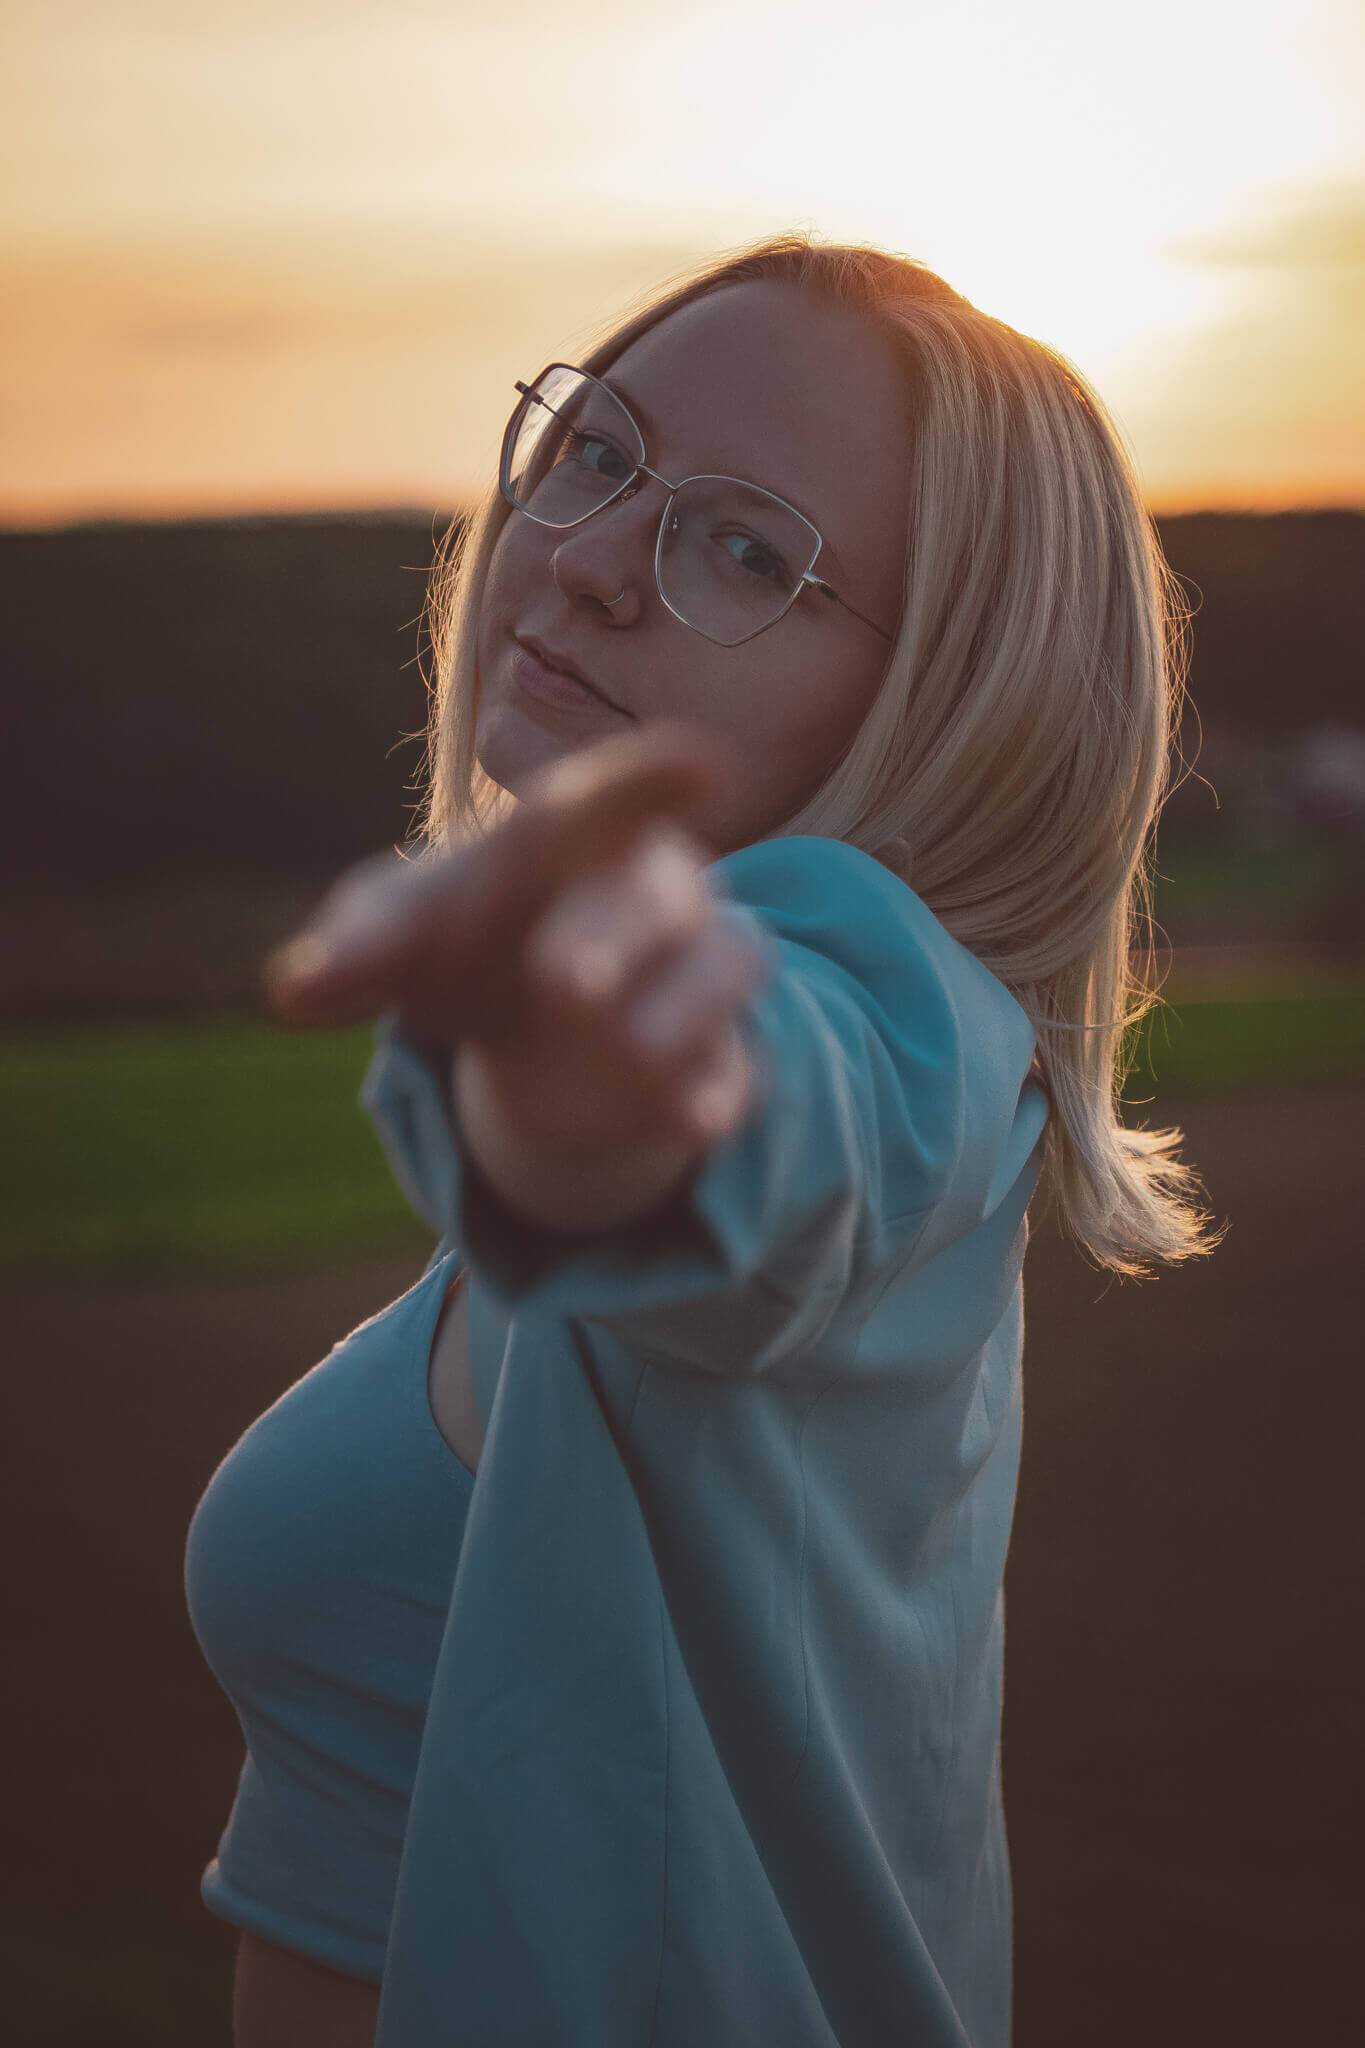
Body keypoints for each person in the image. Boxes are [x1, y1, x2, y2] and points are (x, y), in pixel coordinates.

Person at [185, 232, 1218, 2048]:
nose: (580, 562)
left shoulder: (896, 1035)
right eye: (595, 450)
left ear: (950, 698)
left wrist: (605, 1120)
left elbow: (781, 1129)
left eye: (745, 549)